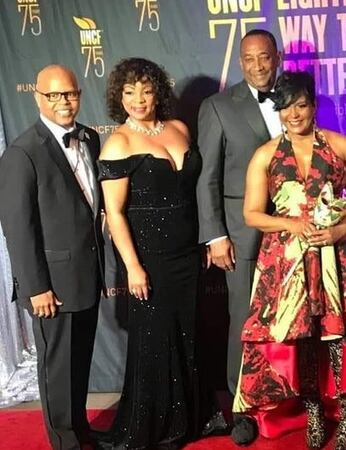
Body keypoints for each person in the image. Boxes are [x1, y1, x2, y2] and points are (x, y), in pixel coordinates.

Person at [232, 70, 346, 450]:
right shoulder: (265, 155)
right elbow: (251, 213)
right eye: (286, 107)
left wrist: (335, 231)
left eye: (301, 104)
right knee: (304, 339)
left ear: (314, 104)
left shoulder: (341, 146)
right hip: (287, 263)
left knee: (340, 336)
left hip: (339, 257)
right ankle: (313, 412)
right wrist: (291, 224)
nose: (294, 114)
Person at [96, 57, 225, 450]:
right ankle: (155, 424)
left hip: (187, 253)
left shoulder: (179, 129)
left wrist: (204, 240)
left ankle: (191, 417)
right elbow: (114, 213)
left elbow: (196, 193)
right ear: (120, 95)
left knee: (189, 332)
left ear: (158, 92)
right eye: (130, 91)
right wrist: (132, 267)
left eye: (146, 90)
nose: (139, 99)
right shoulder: (118, 141)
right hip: (148, 258)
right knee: (155, 340)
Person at [0, 64, 103, 450]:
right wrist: (37, 287)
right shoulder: (22, 153)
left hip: (86, 275)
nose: (64, 102)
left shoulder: (90, 138)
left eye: (70, 94)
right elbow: (18, 229)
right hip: (51, 287)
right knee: (57, 369)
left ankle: (80, 432)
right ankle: (64, 442)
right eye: (54, 95)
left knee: (78, 365)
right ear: (38, 97)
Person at [196, 28, 282, 445]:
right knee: (245, 324)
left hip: (294, 233)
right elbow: (207, 178)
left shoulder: (295, 98)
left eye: (264, 57)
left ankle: (287, 398)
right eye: (249, 59)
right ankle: (242, 406)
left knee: (293, 320)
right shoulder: (217, 107)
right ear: (240, 63)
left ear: (276, 57)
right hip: (242, 233)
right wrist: (215, 235)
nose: (258, 66)